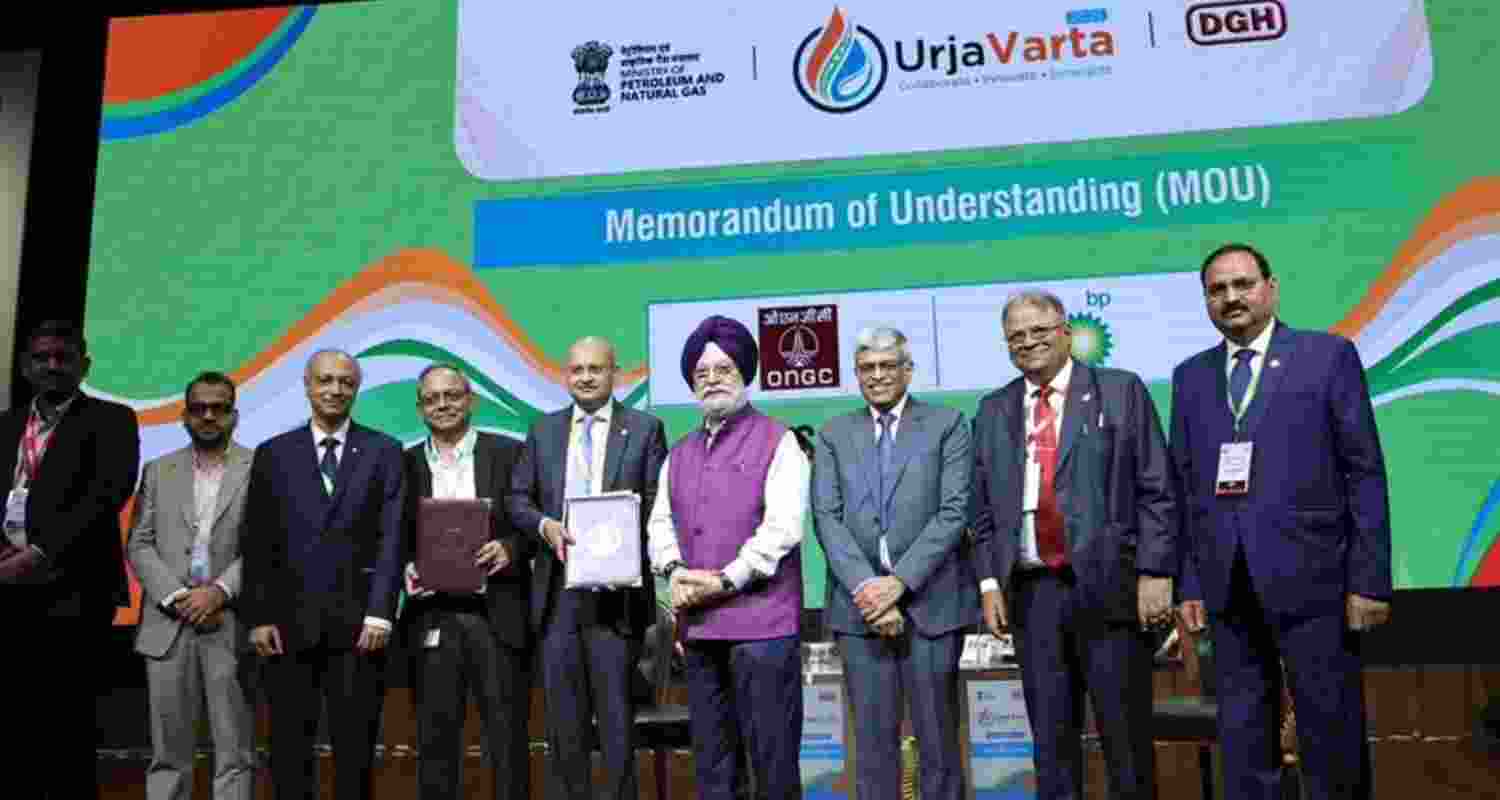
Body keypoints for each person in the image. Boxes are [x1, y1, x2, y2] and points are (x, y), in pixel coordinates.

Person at [1172, 243, 1390, 800]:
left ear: (1270, 288)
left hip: (1316, 579)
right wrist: (1189, 582)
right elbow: (1186, 487)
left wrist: (1369, 579)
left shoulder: (1327, 356)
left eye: (1242, 284)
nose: (1231, 297)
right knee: (1243, 735)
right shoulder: (1190, 377)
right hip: (1227, 585)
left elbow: (1364, 472)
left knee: (1330, 731)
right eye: (1218, 289)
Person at [971, 292, 1177, 800]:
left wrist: (1155, 571)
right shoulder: (993, 409)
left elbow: (1157, 487)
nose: (1028, 342)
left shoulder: (1120, 391)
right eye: (1016, 336)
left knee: (1125, 744)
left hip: (1110, 589)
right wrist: (990, 582)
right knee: (1052, 747)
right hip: (1032, 596)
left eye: (1039, 331)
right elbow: (981, 509)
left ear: (1066, 332)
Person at [647, 315, 809, 800]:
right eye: (702, 372)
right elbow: (659, 524)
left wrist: (724, 580)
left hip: (764, 631)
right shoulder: (678, 453)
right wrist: (675, 572)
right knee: (714, 771)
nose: (712, 379)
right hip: (701, 633)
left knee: (773, 769)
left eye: (723, 369)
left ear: (744, 372)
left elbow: (782, 529)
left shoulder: (779, 441)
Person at [810, 326, 973, 800]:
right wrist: (869, 589)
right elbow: (826, 517)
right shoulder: (834, 434)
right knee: (873, 749)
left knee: (939, 746)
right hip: (858, 611)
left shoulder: (947, 424)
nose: (877, 376)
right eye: (867, 368)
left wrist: (898, 583)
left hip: (932, 606)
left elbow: (953, 512)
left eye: (887, 366)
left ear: (908, 370)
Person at [506, 336, 668, 800]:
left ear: (614, 373)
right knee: (564, 730)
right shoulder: (543, 430)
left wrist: (623, 542)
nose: (586, 377)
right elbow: (517, 498)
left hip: (616, 602)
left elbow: (658, 503)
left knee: (617, 728)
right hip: (558, 599)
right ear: (566, 375)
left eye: (596, 369)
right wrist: (544, 526)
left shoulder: (645, 429)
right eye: (577, 369)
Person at [241, 349, 405, 800]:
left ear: (357, 389)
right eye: (325, 380)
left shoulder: (385, 451)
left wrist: (380, 613)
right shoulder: (273, 453)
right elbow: (258, 541)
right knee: (289, 749)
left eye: (346, 382)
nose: (335, 389)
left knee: (355, 750)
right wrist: (259, 616)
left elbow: (392, 537)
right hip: (288, 627)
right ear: (308, 386)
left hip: (360, 627)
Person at [0, 318, 141, 799]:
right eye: (42, 358)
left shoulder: (112, 420)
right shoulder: (6, 425)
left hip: (75, 591)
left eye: (64, 357)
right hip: (7, 590)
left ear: (85, 365)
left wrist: (39, 554)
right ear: (26, 366)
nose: (53, 366)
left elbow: (107, 494)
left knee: (69, 722)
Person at [402, 364, 531, 800]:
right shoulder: (403, 464)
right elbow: (389, 537)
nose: (443, 405)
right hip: (432, 618)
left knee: (507, 744)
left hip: (498, 617)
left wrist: (510, 549)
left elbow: (536, 525)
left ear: (470, 399)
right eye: (432, 398)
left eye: (452, 395)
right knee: (435, 745)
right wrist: (406, 569)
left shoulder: (510, 453)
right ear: (420, 408)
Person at [127, 371, 256, 800]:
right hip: (168, 624)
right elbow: (139, 542)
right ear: (184, 416)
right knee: (168, 755)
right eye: (199, 408)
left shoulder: (259, 467)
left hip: (229, 622)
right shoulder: (158, 469)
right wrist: (178, 597)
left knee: (235, 753)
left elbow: (266, 544)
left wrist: (218, 592)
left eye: (219, 408)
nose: (209, 416)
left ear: (234, 415)